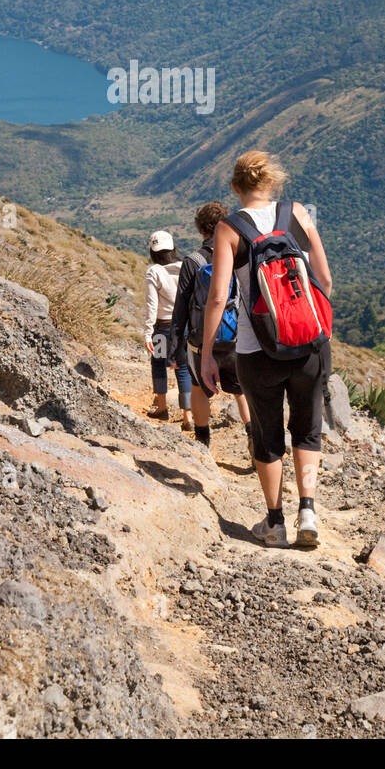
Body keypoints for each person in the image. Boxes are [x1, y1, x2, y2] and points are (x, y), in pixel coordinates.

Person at [201, 150, 333, 549]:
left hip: (256, 350)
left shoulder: (228, 228)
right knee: (307, 430)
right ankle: (307, 510)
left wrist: (208, 352)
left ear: (236, 187)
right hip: (310, 344)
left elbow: (218, 297)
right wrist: (309, 324)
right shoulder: (298, 214)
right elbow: (324, 279)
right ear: (271, 182)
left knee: (267, 433)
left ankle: (275, 522)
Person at [170, 201, 252, 455]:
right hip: (237, 339)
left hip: (200, 340)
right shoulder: (239, 256)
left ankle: (203, 443)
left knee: (199, 388)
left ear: (200, 228)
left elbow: (181, 307)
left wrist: (174, 347)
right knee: (243, 392)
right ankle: (253, 438)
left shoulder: (193, 261)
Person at [144, 231, 192, 429]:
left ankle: (162, 407)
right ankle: (188, 416)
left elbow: (151, 306)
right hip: (185, 328)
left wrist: (148, 332)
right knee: (183, 368)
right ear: (173, 249)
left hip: (163, 330)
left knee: (158, 364)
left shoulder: (153, 271)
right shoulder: (185, 267)